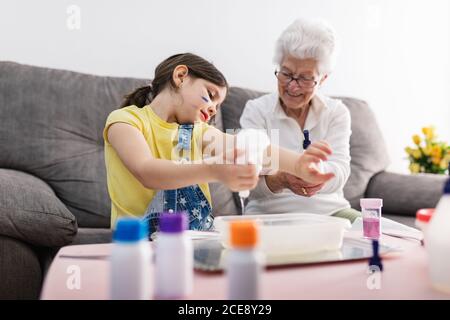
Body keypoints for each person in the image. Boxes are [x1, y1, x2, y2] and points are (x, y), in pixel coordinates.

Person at [103, 53, 335, 236]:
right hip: (135, 244)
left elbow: (248, 148)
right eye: (211, 95)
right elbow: (147, 171)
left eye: (218, 104)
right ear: (181, 76)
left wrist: (298, 164)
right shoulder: (125, 120)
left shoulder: (198, 132)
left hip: (194, 240)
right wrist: (214, 169)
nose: (214, 108)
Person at [240, 18, 361, 222]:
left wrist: (315, 174)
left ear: (323, 79)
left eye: (305, 78)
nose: (292, 86)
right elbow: (248, 181)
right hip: (269, 215)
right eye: (286, 73)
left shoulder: (336, 112)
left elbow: (340, 170)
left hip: (330, 212)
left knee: (384, 235)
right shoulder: (257, 111)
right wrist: (281, 179)